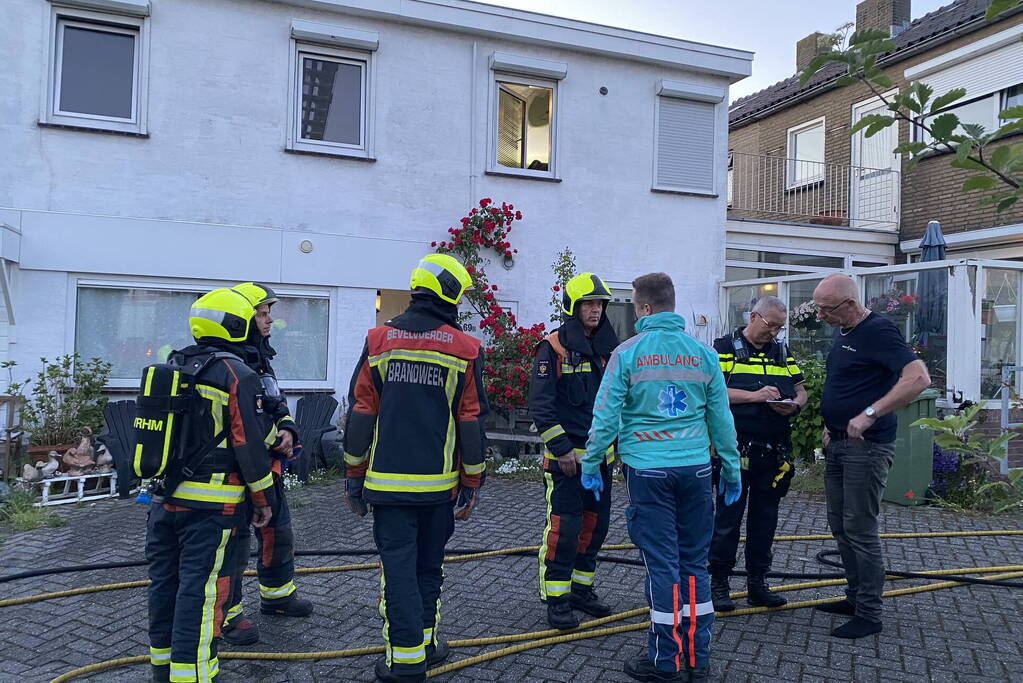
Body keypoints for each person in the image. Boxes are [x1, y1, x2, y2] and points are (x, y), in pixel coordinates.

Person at [582, 273, 741, 683]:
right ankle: (697, 658)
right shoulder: (703, 354)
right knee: (694, 564)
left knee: (663, 566)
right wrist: (731, 467)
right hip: (696, 470)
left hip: (648, 471)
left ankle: (665, 662)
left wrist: (592, 461)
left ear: (647, 308)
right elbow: (721, 418)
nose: (635, 314)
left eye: (635, 308)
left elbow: (606, 415)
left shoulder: (628, 353)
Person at [342, 254, 488, 683]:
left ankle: (405, 660)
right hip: (439, 490)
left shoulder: (378, 341)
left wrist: (353, 476)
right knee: (428, 566)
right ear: (447, 294)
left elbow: (362, 412)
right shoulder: (465, 348)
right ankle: (424, 646)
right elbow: (471, 420)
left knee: (399, 570)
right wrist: (472, 482)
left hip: (386, 488)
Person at [145, 287, 276, 683]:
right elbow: (248, 445)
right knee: (200, 592)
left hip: (166, 499)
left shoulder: (175, 364)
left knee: (165, 583)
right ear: (237, 325)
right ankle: (194, 674)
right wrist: (263, 499)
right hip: (213, 505)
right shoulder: (237, 373)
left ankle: (163, 668)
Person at [812, 274, 930, 639]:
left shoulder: (879, 331)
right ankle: (854, 596)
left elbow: (918, 378)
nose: (820, 315)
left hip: (868, 446)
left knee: (861, 529)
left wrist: (870, 413)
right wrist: (831, 423)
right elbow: (849, 380)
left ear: (849, 304)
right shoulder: (844, 330)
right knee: (840, 525)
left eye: (826, 309)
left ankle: (870, 613)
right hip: (839, 444)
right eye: (817, 307)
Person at [220, 282, 313, 647]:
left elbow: (274, 401)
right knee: (235, 543)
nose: (269, 319)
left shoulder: (259, 357)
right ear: (243, 318)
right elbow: (241, 423)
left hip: (267, 467)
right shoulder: (227, 363)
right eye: (262, 312)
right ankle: (227, 615)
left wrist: (287, 426)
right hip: (234, 472)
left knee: (279, 532)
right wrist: (277, 438)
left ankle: (277, 596)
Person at [529, 272, 620, 630]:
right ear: (573, 306)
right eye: (588, 304)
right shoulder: (552, 349)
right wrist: (562, 449)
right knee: (564, 531)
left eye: (600, 304)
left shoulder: (609, 351)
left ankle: (582, 591)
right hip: (566, 462)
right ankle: (558, 599)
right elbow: (541, 405)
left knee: (595, 529)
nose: (595, 310)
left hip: (600, 462)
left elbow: (616, 403)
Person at [709, 295, 806, 612]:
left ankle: (757, 584)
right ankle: (719, 584)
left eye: (780, 327)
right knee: (727, 520)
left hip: (773, 451)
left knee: (765, 522)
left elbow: (801, 389)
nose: (775, 333)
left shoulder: (781, 351)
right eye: (772, 325)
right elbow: (712, 391)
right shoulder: (723, 348)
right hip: (735, 450)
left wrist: (794, 406)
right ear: (753, 317)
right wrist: (755, 396)